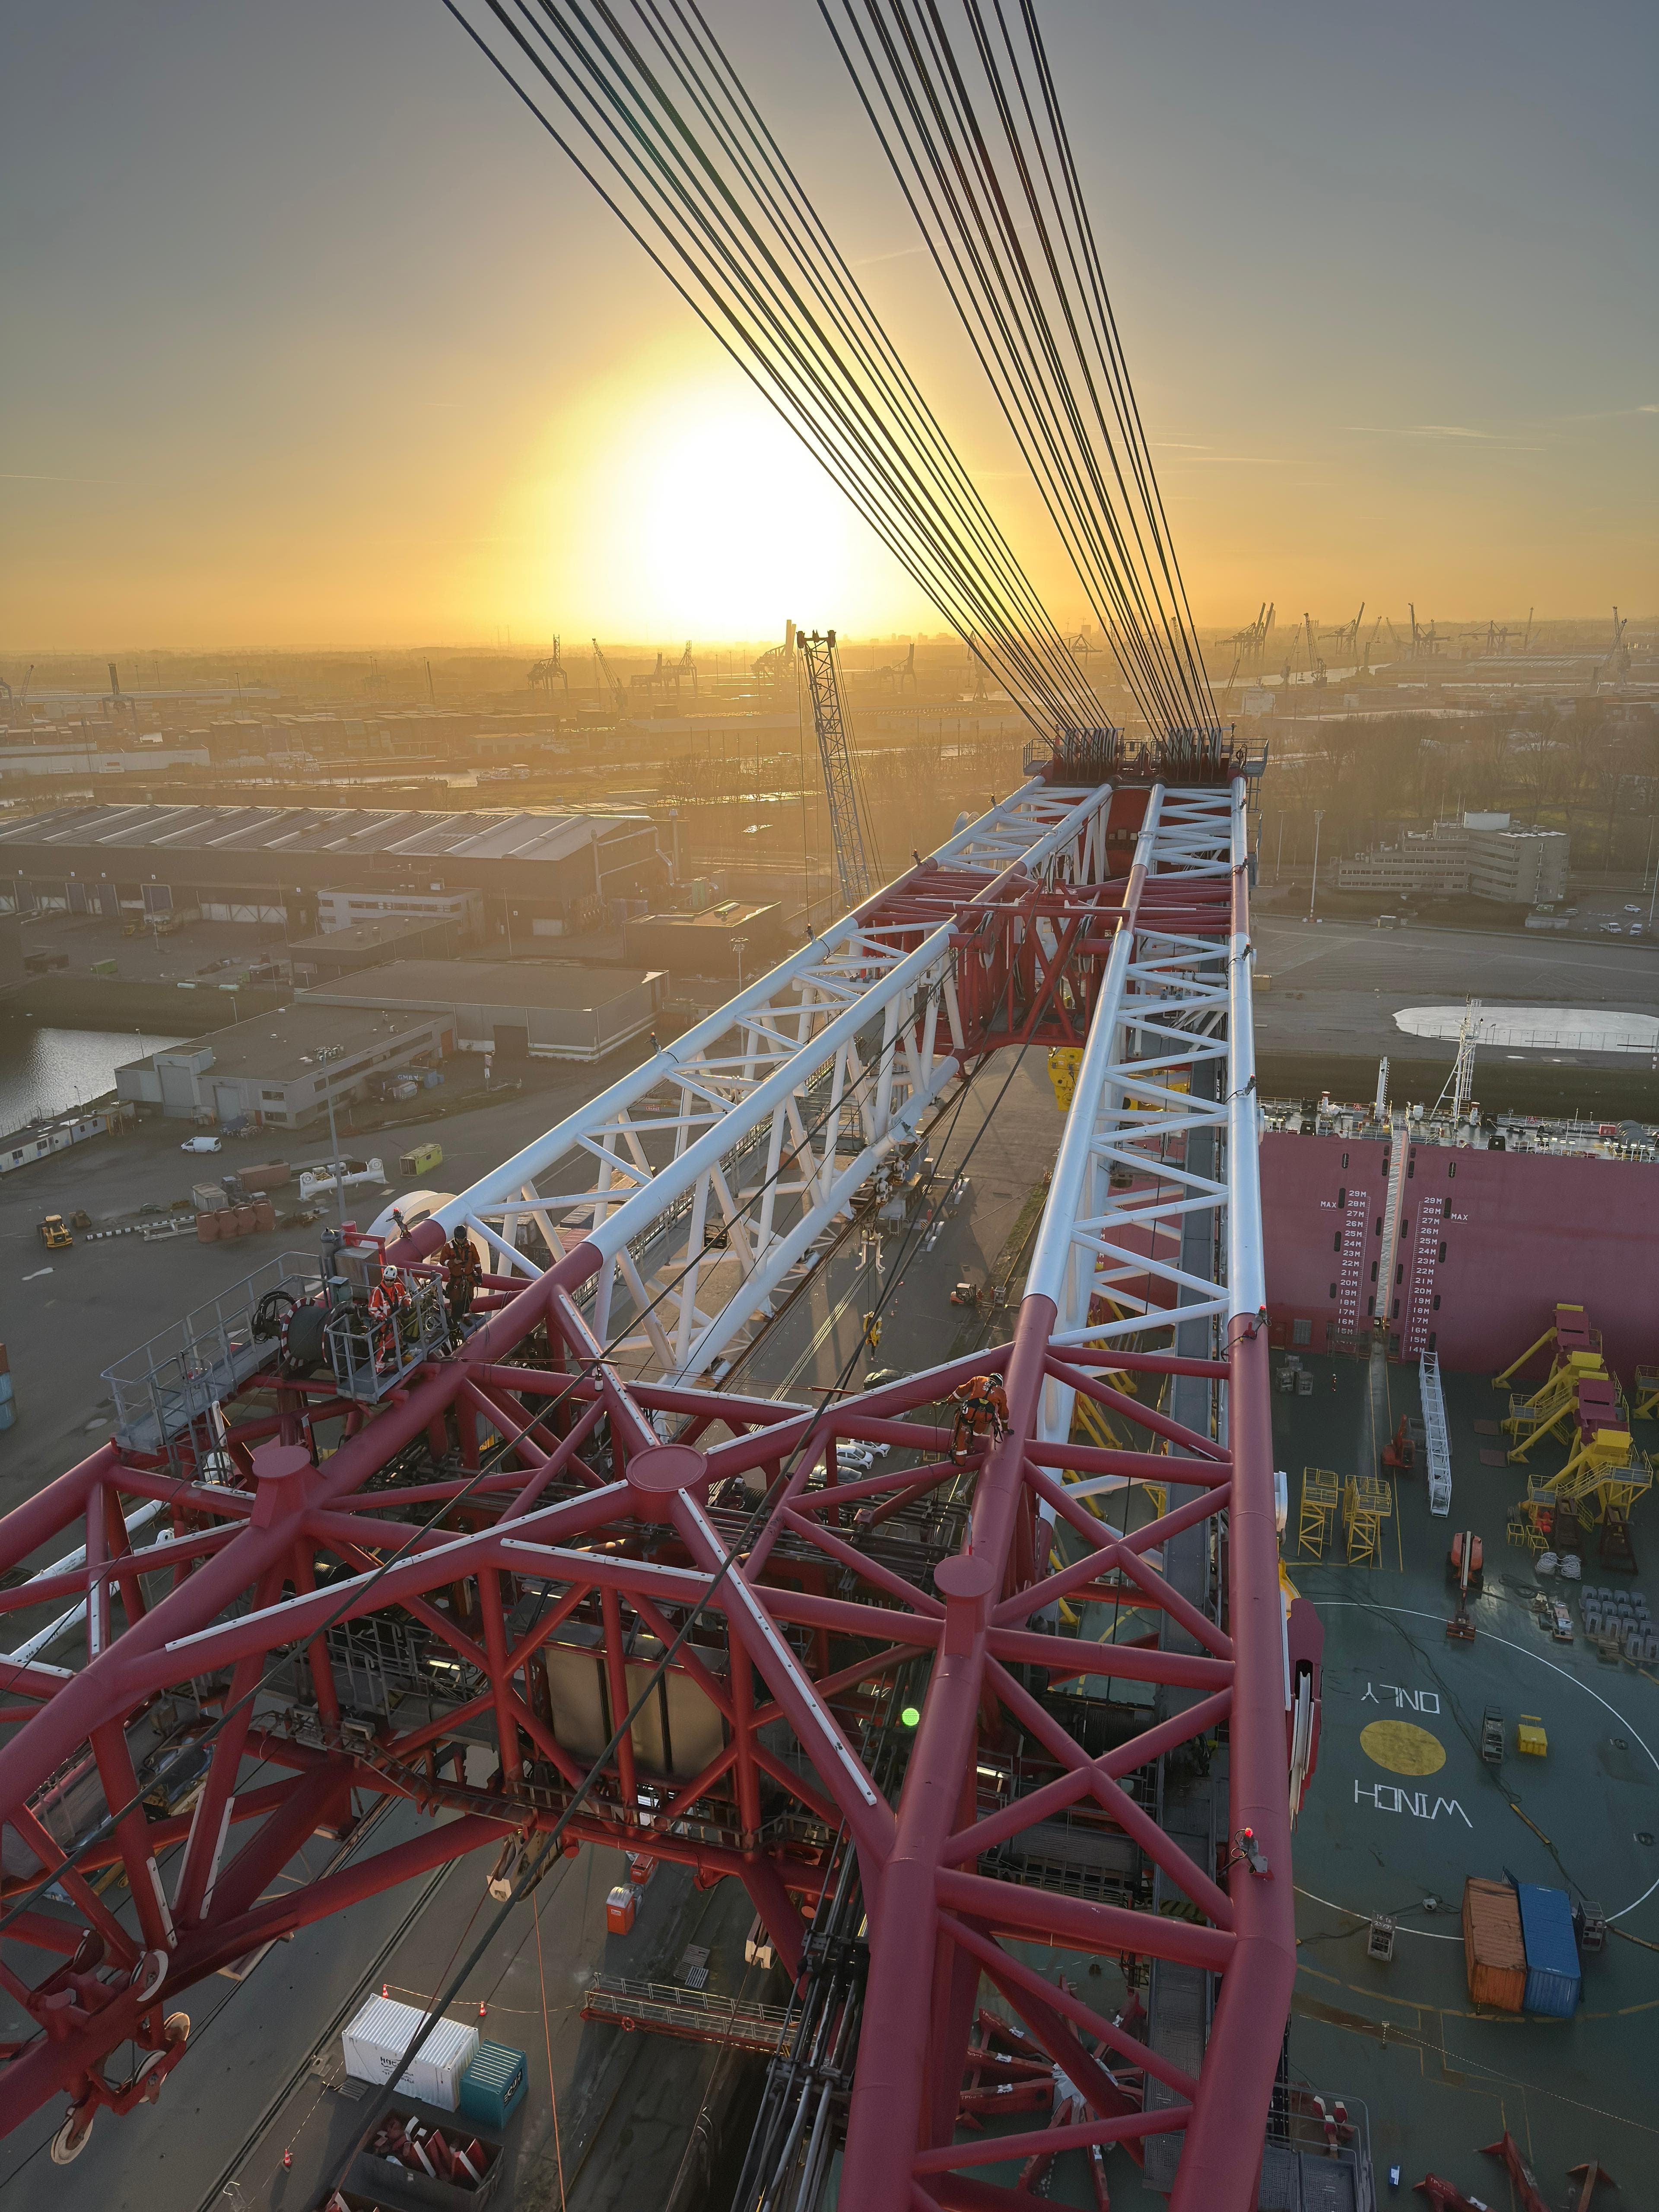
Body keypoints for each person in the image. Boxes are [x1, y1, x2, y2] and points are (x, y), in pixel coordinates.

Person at [950, 1373, 1009, 1464]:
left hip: (970, 1412)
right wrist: (1005, 1428)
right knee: (979, 1429)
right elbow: (1004, 1413)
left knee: (961, 1430)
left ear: (990, 1378)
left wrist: (950, 1401)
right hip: (985, 1416)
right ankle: (973, 1437)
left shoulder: (979, 1379)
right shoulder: (1001, 1392)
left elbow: (962, 1390)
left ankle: (960, 1461)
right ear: (1000, 1383)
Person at [444, 1226, 483, 1332]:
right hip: (456, 1279)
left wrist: (479, 1275)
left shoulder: (471, 1246)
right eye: (459, 1239)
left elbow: (477, 1261)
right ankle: (455, 1320)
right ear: (456, 1237)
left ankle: (466, 1317)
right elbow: (443, 1261)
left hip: (469, 1277)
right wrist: (453, 1262)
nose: (461, 1241)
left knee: (469, 1298)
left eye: (462, 1239)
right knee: (456, 1301)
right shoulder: (449, 1247)